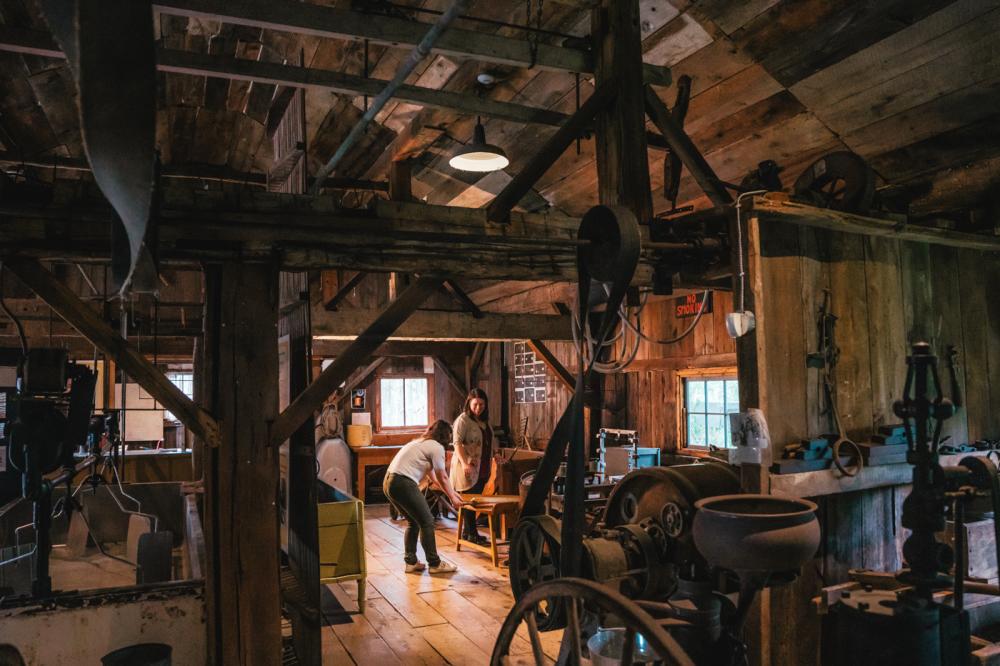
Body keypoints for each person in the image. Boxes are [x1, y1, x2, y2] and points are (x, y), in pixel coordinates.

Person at [383, 420, 464, 574]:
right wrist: (453, 499)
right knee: (427, 521)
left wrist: (452, 493)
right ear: (446, 435)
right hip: (403, 482)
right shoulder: (437, 447)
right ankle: (435, 564)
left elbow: (433, 477)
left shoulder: (420, 443)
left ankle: (411, 562)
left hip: (389, 482)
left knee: (413, 521)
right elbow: (442, 476)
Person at [451, 388, 493, 545]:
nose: (478, 408)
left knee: (475, 498)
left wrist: (496, 455)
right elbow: (457, 443)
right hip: (467, 466)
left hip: (482, 465)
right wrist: (464, 463)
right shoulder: (463, 420)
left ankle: (468, 532)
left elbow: (488, 441)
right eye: (475, 404)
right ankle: (471, 533)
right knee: (469, 499)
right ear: (469, 403)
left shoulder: (484, 421)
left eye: (482, 404)